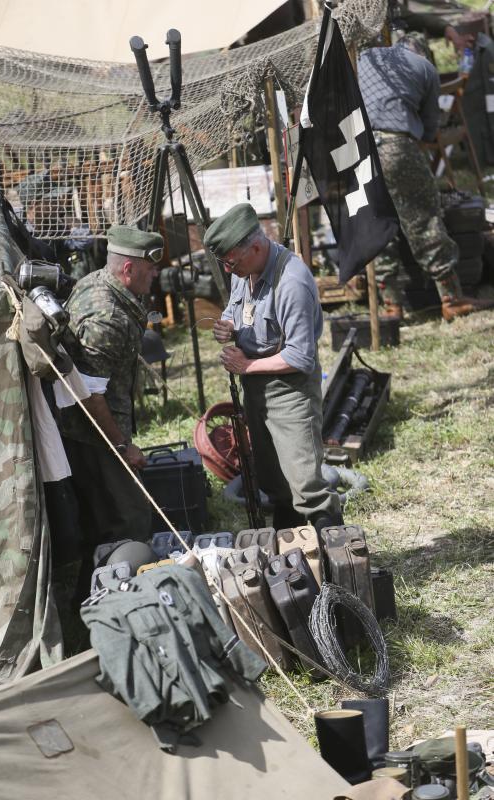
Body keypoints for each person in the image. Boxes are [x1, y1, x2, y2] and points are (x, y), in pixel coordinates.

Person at [205, 203, 343, 533]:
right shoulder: (245, 271)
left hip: (290, 395)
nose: (228, 270)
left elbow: (300, 357)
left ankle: (341, 562)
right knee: (275, 483)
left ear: (255, 247)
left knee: (307, 488)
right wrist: (227, 325)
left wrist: (246, 365)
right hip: (257, 393)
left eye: (231, 262)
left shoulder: (292, 282)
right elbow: (236, 309)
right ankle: (293, 556)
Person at [59, 225, 164, 597]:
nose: (156, 274)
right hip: (94, 433)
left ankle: (88, 598)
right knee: (130, 519)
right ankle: (120, 604)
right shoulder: (108, 319)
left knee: (97, 517)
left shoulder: (95, 283)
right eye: (150, 269)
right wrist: (122, 446)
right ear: (128, 270)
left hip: (85, 429)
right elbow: (89, 395)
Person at [358, 34, 492, 321]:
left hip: (360, 150)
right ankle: (451, 298)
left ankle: (392, 304)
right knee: (424, 221)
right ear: (422, 52)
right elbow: (431, 131)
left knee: (378, 224)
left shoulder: (367, 57)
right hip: (396, 146)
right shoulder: (425, 68)